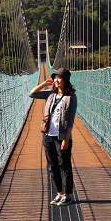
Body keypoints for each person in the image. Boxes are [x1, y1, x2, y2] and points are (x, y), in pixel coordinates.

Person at [28, 67, 77, 206]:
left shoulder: (71, 97)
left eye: (60, 78)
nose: (57, 80)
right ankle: (59, 193)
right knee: (52, 166)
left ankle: (67, 195)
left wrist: (66, 139)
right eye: (55, 78)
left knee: (65, 165)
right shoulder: (50, 94)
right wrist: (44, 84)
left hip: (61, 136)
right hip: (48, 135)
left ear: (66, 81)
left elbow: (71, 121)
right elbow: (31, 94)